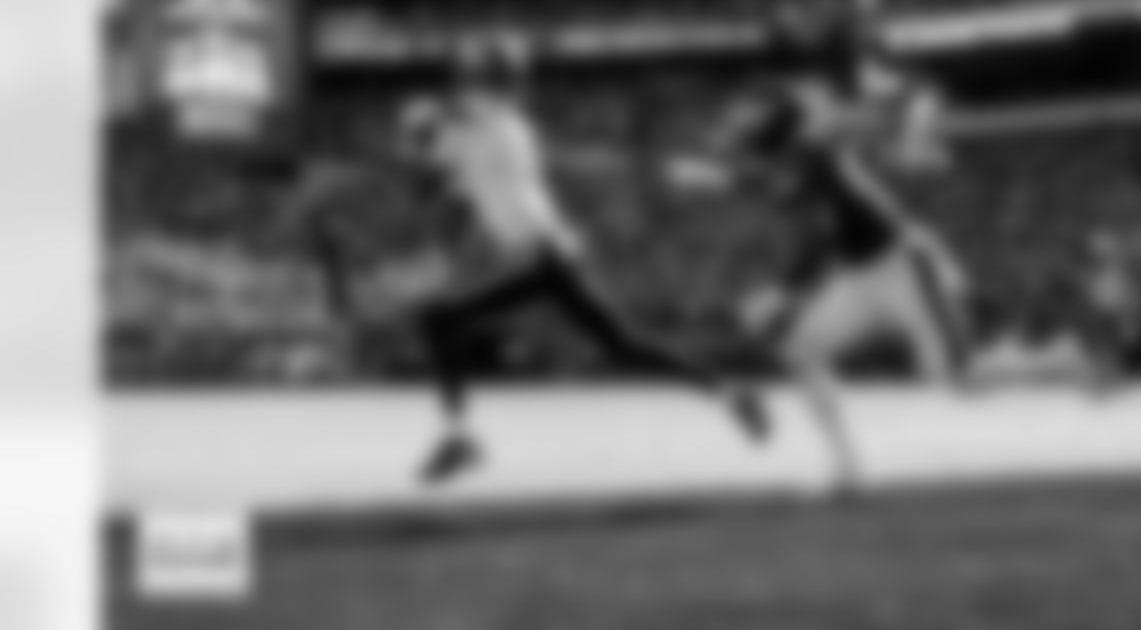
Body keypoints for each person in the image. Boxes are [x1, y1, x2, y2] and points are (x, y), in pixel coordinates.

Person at [364, 35, 769, 483]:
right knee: (623, 347)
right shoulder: (486, 127)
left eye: (477, 75)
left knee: (439, 321)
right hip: (546, 254)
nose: (469, 83)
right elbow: (443, 171)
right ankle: (731, 394)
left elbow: (445, 147)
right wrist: (423, 139)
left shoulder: (492, 125)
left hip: (538, 253)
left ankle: (460, 439)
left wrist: (421, 130)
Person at [684, 55, 971, 493]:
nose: (741, 120)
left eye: (752, 111)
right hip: (860, 276)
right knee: (800, 347)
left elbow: (817, 233)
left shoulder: (809, 153)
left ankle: (1077, 388)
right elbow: (778, 185)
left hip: (906, 268)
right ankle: (848, 470)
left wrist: (785, 291)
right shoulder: (795, 157)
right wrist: (723, 177)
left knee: (951, 379)